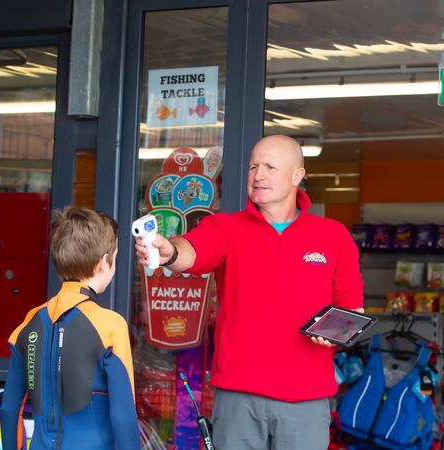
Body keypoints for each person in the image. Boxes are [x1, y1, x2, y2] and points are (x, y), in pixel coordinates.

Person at [135, 135, 364, 450]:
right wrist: (169, 252)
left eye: (270, 166)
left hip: (306, 398)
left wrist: (336, 333)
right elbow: (194, 251)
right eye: (253, 166)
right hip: (238, 397)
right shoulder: (225, 228)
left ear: (297, 176)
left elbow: (352, 310)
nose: (258, 175)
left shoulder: (333, 236)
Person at [2, 207, 140, 450]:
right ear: (103, 263)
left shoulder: (27, 324)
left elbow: (10, 410)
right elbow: (123, 418)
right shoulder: (110, 325)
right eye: (115, 258)